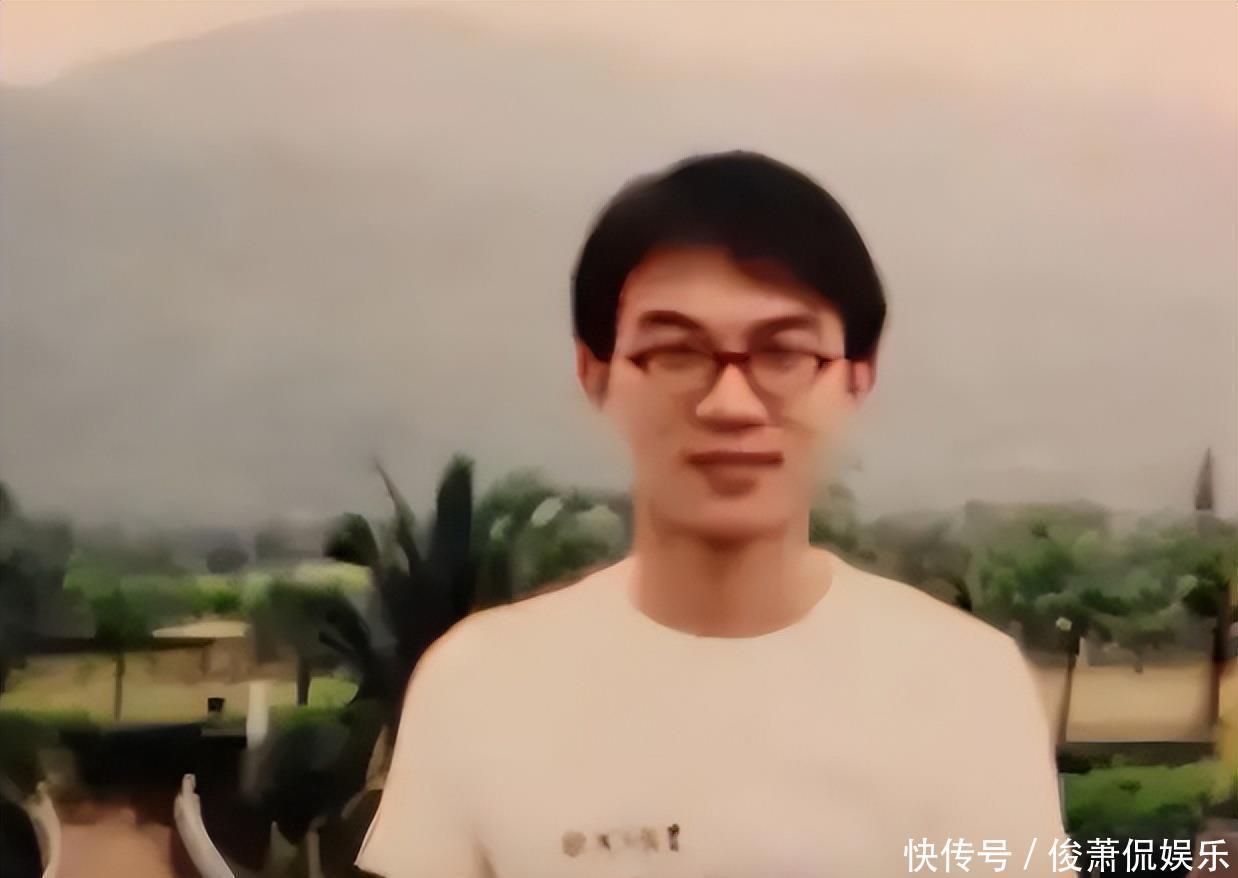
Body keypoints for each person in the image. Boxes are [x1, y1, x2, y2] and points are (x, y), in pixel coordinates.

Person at [356, 151, 1067, 877]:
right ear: (595, 372)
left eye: (783, 354)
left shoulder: (965, 685)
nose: (731, 404)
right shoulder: (479, 684)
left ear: (859, 376)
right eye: (676, 353)